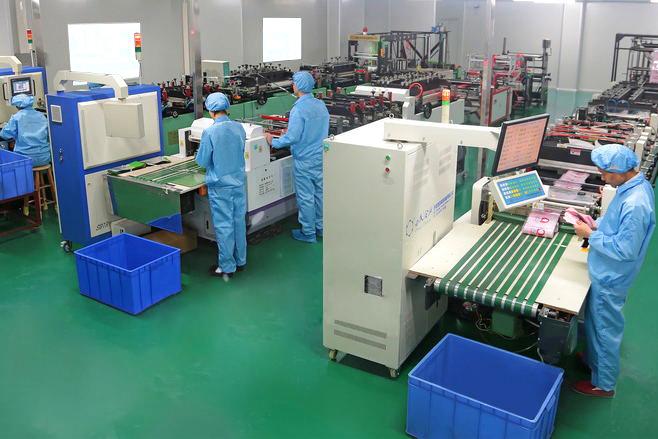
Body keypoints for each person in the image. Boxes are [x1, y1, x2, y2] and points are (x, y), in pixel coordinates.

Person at [572, 143, 655, 398]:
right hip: (607, 270)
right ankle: (593, 358)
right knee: (596, 320)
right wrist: (595, 225)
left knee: (605, 328)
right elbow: (617, 225)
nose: (602, 177)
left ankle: (604, 384)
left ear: (620, 171)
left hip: (612, 275)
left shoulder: (636, 203)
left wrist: (590, 235)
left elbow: (625, 249)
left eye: (605, 173)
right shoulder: (632, 186)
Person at [265, 71, 329, 243]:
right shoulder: (320, 104)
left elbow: (292, 138)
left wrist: (274, 141)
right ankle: (321, 228)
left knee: (306, 197)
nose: (292, 85)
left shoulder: (298, 109)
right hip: (320, 157)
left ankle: (308, 232)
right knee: (320, 194)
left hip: (304, 160)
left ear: (298, 86)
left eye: (293, 83)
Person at [195, 92, 247, 277]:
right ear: (227, 107)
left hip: (220, 186)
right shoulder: (239, 128)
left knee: (225, 226)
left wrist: (197, 155)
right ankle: (241, 260)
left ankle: (227, 267)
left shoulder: (210, 132)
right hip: (238, 183)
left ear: (211, 111)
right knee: (238, 222)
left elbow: (202, 161)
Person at [0, 94, 51, 166]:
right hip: (44, 157)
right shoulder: (42, 116)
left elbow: (4, 135)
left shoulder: (16, 117)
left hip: (25, 159)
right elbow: (49, 135)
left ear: (17, 106)